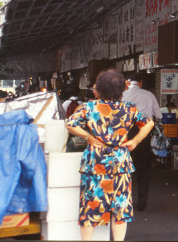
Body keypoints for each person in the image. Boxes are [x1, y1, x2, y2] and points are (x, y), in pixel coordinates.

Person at [65, 69, 154, 241]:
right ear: (122, 90)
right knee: (119, 209)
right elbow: (148, 124)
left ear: (99, 88)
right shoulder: (129, 109)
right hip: (120, 162)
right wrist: (135, 141)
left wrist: (89, 137)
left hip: (95, 162)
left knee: (90, 207)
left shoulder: (89, 107)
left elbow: (70, 124)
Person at [122, 73, 161, 212]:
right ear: (141, 82)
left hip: (124, 135)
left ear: (128, 82)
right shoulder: (149, 95)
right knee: (143, 169)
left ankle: (123, 200)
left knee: (124, 169)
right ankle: (142, 200)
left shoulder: (122, 94)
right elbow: (159, 115)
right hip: (144, 133)